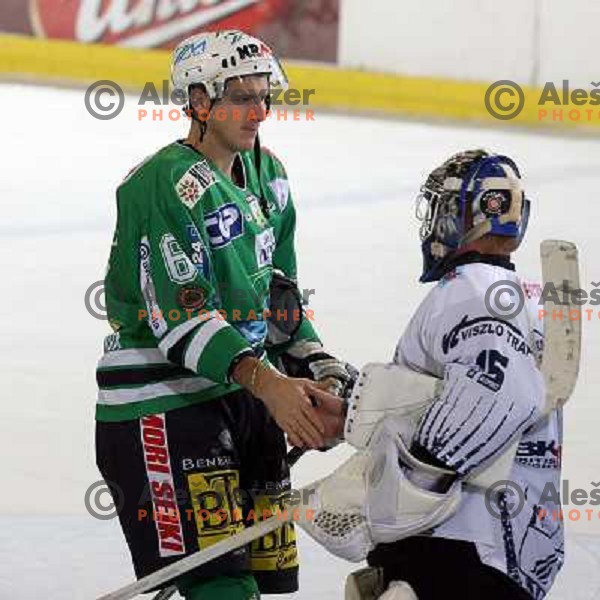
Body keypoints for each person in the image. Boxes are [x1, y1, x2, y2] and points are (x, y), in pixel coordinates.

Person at [95, 30, 348, 600]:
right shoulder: (164, 182)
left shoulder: (271, 176)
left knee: (265, 581)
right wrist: (270, 384)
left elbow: (280, 300)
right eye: (241, 95)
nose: (259, 111)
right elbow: (181, 321)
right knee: (223, 590)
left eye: (265, 96)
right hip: (163, 405)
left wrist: (319, 369)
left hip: (244, 398)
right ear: (199, 101)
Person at [302, 150, 563, 600]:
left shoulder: (474, 291)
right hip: (493, 548)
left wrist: (395, 493)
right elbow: (445, 400)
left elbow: (493, 397)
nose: (437, 221)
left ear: (477, 215)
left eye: (445, 207)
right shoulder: (519, 297)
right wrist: (351, 416)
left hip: (458, 550)